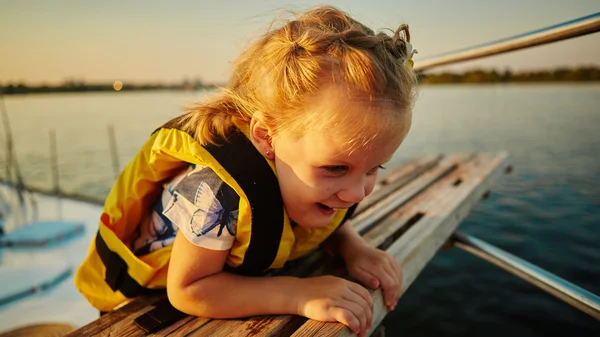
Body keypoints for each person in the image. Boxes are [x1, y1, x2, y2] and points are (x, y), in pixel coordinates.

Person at [75, 5, 418, 337]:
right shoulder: (219, 196)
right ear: (267, 137)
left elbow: (297, 226)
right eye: (335, 168)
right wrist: (298, 295)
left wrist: (351, 245)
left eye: (374, 169)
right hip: (140, 305)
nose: (357, 193)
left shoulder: (310, 176)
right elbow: (189, 289)